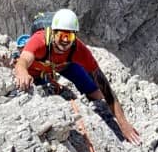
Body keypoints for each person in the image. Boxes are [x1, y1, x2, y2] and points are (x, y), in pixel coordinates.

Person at [14, 9, 141, 143]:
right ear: (52, 32)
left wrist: (123, 124)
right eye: (61, 35)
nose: (64, 41)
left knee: (96, 94)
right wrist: (22, 72)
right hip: (38, 65)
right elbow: (23, 62)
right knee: (38, 89)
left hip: (65, 65)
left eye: (69, 37)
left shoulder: (78, 49)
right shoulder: (39, 40)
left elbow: (104, 86)